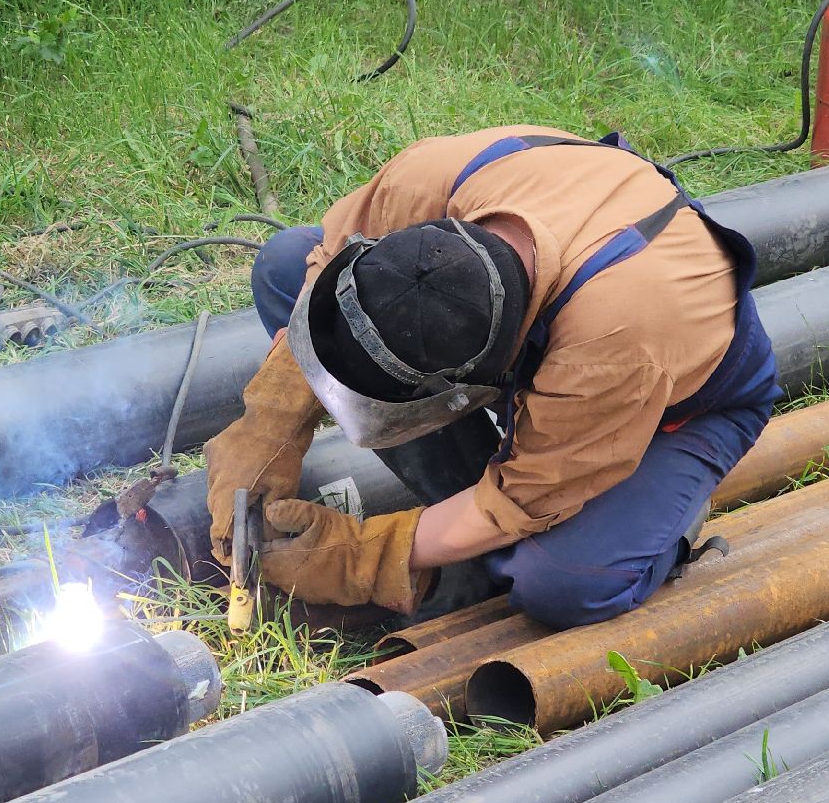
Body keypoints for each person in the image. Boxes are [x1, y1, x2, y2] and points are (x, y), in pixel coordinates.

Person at [204, 125, 780, 629]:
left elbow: (518, 501)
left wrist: (361, 557)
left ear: (470, 383)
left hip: (675, 410)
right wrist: (270, 424)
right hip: (562, 346)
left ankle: (655, 515)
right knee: (286, 262)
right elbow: (321, 266)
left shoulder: (610, 348)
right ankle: (461, 526)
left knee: (562, 581)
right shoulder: (429, 182)